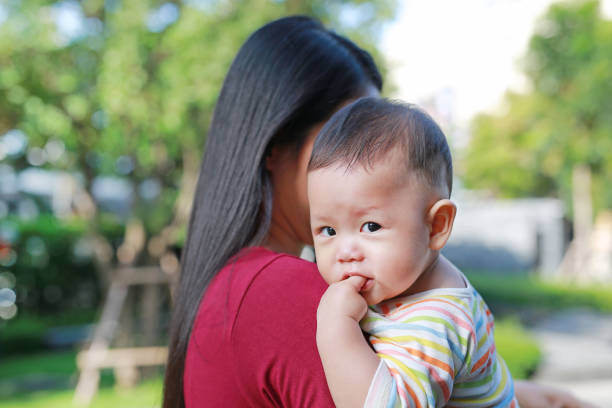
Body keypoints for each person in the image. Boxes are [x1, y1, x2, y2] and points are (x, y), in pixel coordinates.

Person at [162, 15, 595, 408]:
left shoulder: (231, 286)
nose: (366, 160)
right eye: (343, 132)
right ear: (275, 145)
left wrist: (510, 391)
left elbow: (420, 372)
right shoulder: (289, 293)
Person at [309, 97, 517, 407]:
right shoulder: (410, 281)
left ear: (436, 227)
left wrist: (334, 328)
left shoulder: (437, 320)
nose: (346, 252)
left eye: (371, 226)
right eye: (329, 231)